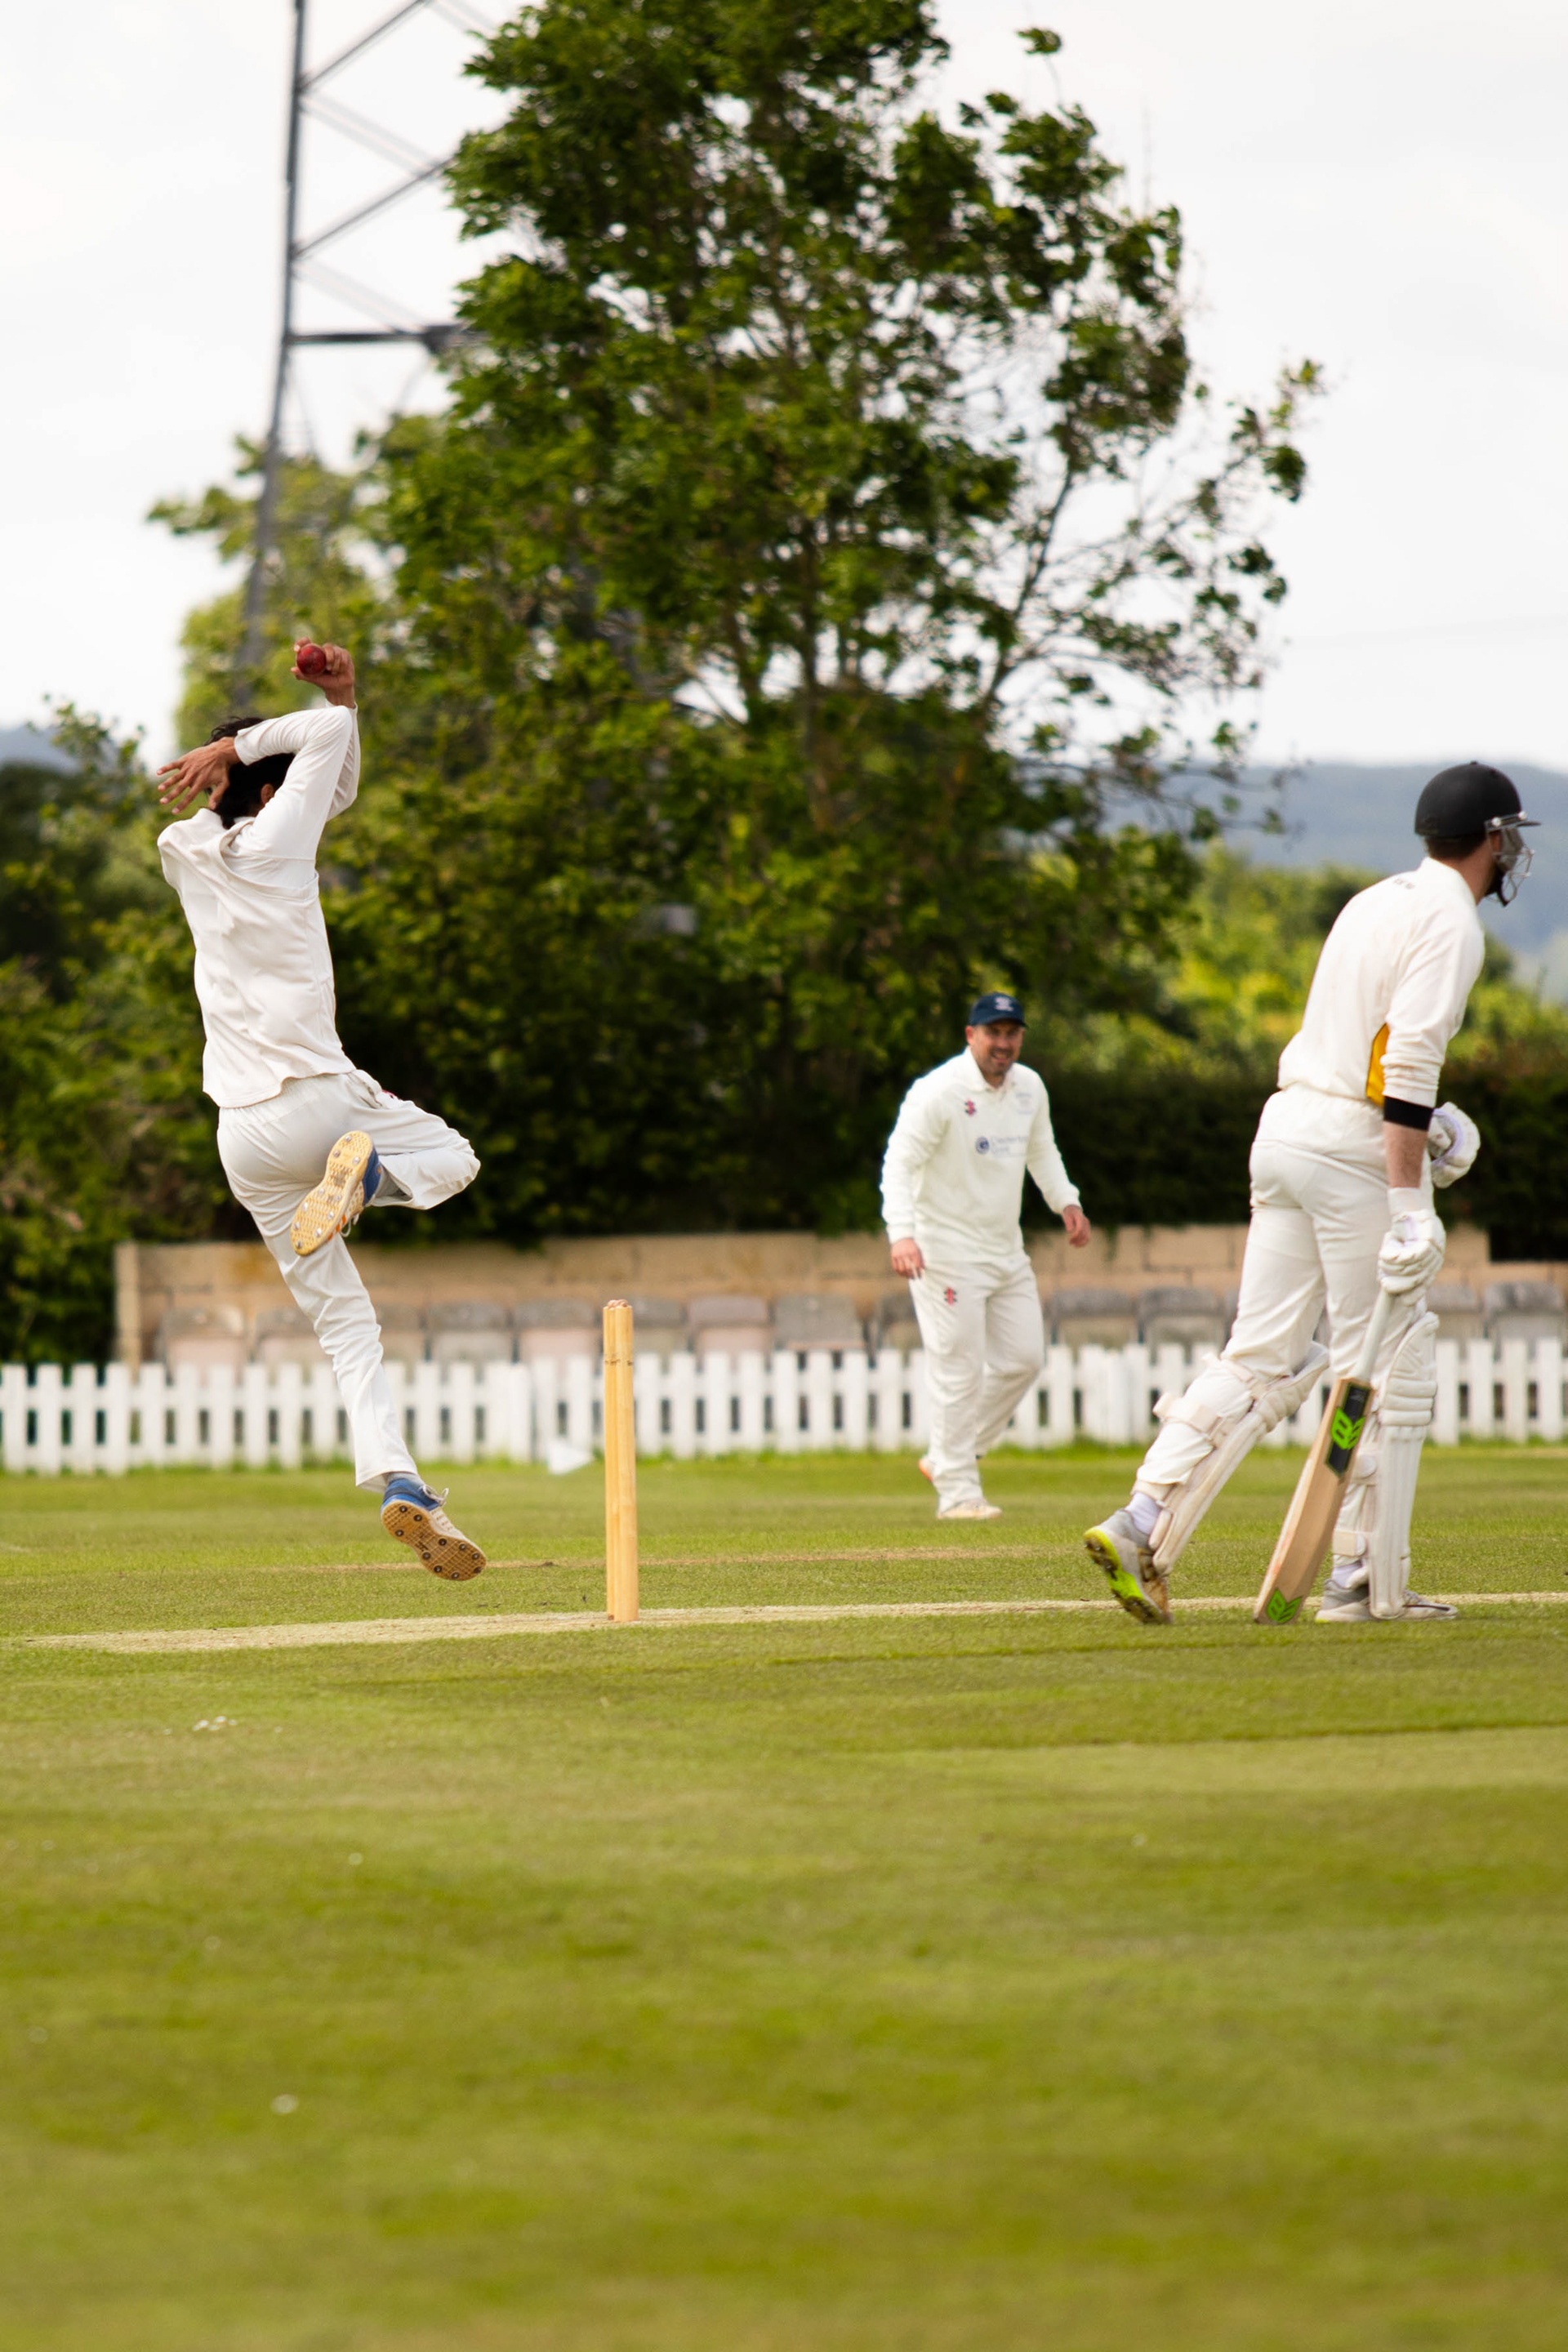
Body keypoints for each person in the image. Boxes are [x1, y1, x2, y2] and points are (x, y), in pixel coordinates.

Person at [1085, 762, 1538, 1625]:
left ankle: (1140, 1518)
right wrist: (1410, 1206)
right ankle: (1364, 1581)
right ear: (1491, 839)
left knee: (1258, 1354)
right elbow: (1402, 1065)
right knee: (1388, 1358)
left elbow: (1362, 1056)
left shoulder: (1374, 901)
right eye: (1507, 836)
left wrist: (1436, 1123)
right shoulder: (1453, 923)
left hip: (1286, 1128)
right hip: (1350, 1156)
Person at [155, 641, 488, 1580]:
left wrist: (330, 703)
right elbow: (328, 746)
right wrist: (295, 722)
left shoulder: (183, 849)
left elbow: (327, 773)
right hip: (321, 1103)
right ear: (269, 790)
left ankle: (401, 1480)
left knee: (346, 1323)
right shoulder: (276, 846)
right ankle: (375, 1180)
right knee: (455, 1158)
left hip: (244, 1141)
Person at [881, 991, 1091, 1518]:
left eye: (1011, 1032)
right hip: (944, 1252)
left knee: (1023, 1360)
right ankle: (958, 1492)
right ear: (970, 1035)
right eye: (992, 1032)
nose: (1003, 1043)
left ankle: (949, 1453)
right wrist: (901, 1234)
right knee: (959, 1370)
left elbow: (1042, 1150)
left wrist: (1066, 1200)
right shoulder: (939, 1093)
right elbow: (898, 1164)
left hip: (1004, 1249)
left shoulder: (1029, 1087)